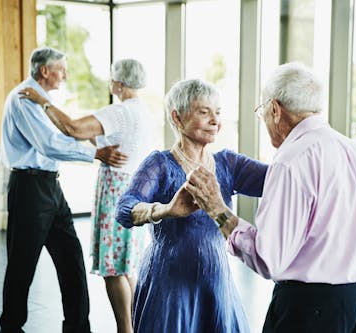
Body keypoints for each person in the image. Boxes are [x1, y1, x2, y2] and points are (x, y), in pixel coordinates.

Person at [184, 62, 356, 333]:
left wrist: (218, 209)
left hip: (313, 308)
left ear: (275, 109)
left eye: (262, 112)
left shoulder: (292, 161)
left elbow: (269, 260)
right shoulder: (354, 150)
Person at [114, 78, 268, 333]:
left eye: (217, 113)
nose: (215, 121)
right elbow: (124, 208)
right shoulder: (159, 164)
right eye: (204, 112)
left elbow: (277, 179)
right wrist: (165, 210)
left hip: (215, 282)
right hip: (169, 286)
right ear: (177, 117)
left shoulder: (228, 163)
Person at [19, 58, 153, 333]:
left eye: (112, 78)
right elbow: (93, 135)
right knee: (126, 265)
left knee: (113, 268)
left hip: (116, 190)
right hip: (135, 188)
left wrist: (42, 101)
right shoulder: (142, 110)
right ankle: (138, 327)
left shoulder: (120, 111)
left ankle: (125, 330)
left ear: (119, 83)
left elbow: (74, 129)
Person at [0, 47, 128, 333]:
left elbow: (63, 132)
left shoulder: (42, 100)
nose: (66, 75)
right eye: (61, 69)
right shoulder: (24, 98)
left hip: (49, 187)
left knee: (71, 258)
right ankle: (10, 327)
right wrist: (96, 154)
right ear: (45, 71)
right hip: (29, 188)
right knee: (22, 264)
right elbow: (49, 144)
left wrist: (96, 140)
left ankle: (78, 327)